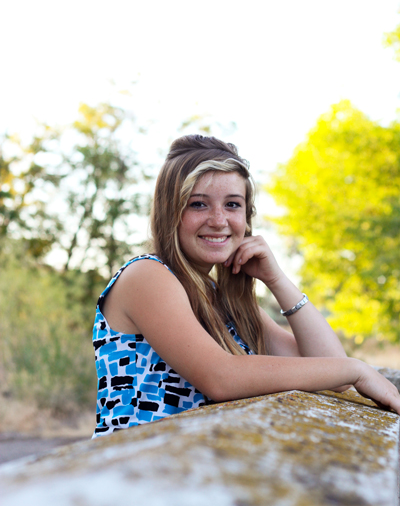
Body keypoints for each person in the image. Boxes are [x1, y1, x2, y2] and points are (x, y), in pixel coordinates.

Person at [92, 134, 400, 436]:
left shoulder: (219, 296)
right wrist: (357, 369)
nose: (218, 219)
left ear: (246, 216)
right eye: (198, 204)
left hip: (190, 470)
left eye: (233, 204)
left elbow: (331, 369)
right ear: (170, 211)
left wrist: (277, 280)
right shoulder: (147, 275)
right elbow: (220, 377)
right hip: (129, 473)